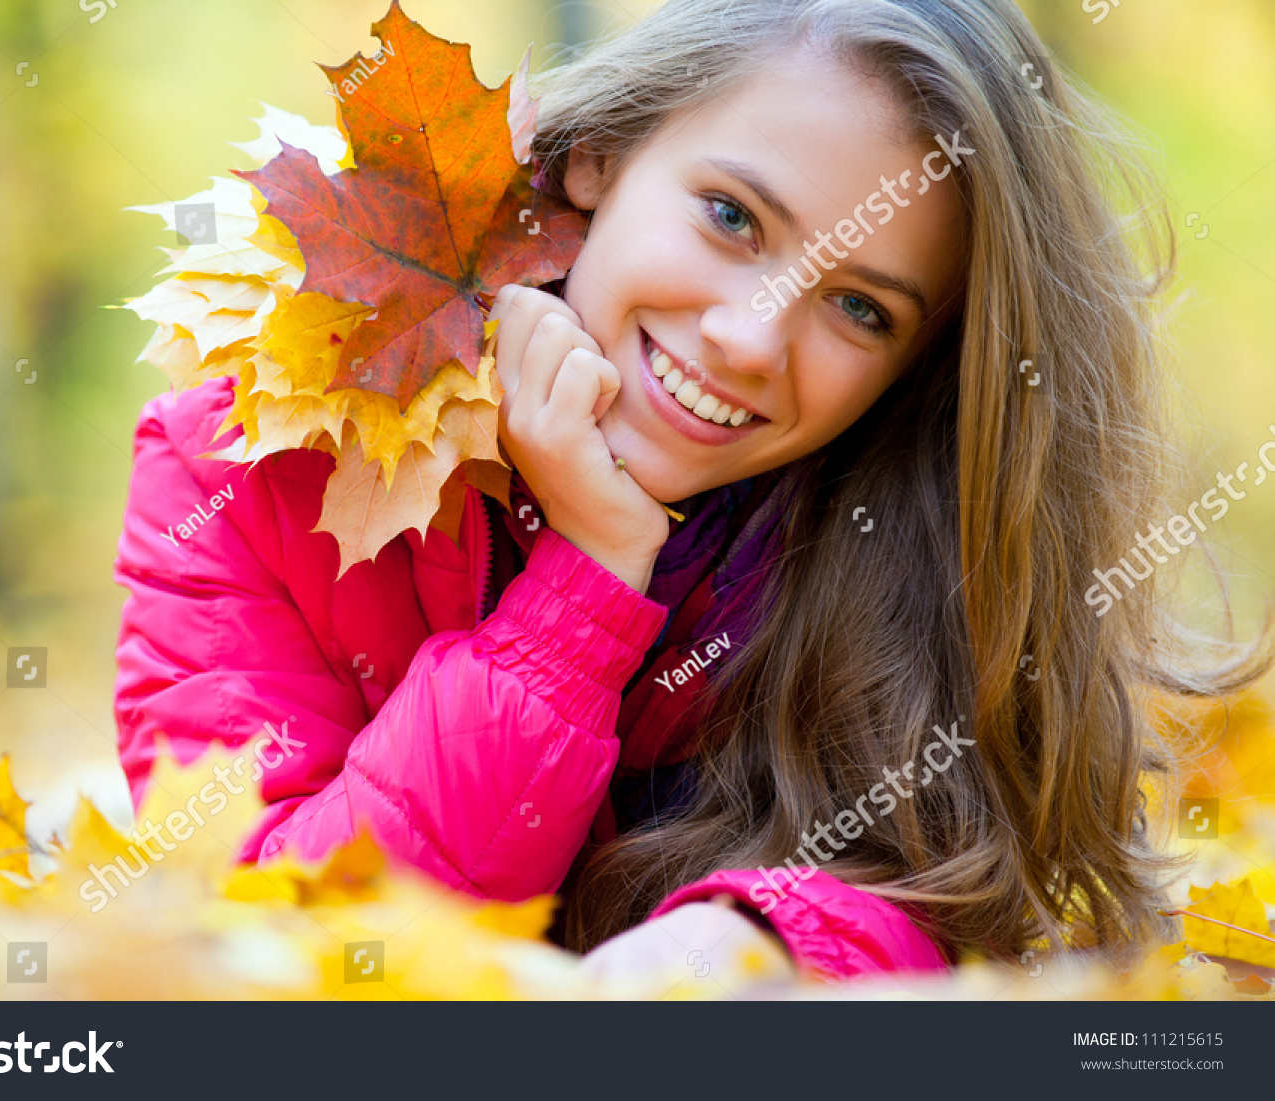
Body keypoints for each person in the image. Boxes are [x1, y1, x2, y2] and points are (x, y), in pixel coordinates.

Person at [113, 0, 1268, 983]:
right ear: (600, 159)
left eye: (861, 308)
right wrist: (582, 593)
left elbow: (949, 900)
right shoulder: (243, 464)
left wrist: (752, 952)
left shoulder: (911, 558)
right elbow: (279, 952)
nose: (751, 340)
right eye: (732, 218)